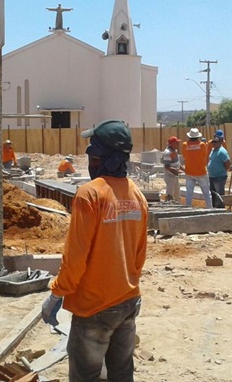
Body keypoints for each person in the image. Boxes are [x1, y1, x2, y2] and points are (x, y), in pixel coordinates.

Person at [42, 119, 148, 382]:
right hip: (128, 300)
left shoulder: (89, 195)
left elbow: (76, 257)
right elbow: (139, 255)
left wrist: (57, 293)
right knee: (121, 374)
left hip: (94, 308)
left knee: (86, 376)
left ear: (99, 157)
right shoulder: (137, 195)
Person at [182, 128, 212, 207]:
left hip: (189, 172)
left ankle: (188, 207)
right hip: (201, 172)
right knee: (206, 192)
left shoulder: (185, 145)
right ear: (198, 136)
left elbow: (184, 156)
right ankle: (210, 208)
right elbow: (204, 156)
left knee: (189, 192)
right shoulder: (202, 145)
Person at [207, 136, 231, 208]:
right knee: (213, 194)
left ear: (220, 142)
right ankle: (214, 209)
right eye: (213, 142)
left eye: (216, 142)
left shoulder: (222, 152)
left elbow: (227, 163)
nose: (213, 143)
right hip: (212, 176)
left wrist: (221, 171)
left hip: (219, 177)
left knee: (219, 195)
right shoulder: (213, 150)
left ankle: (221, 209)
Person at [161, 136, 182, 202]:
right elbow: (166, 167)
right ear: (172, 144)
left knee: (177, 195)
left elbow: (177, 163)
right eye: (176, 143)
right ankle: (168, 206)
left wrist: (183, 169)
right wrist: (175, 170)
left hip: (175, 175)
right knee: (170, 195)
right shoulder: (167, 153)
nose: (178, 144)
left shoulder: (175, 151)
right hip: (170, 177)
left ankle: (178, 206)